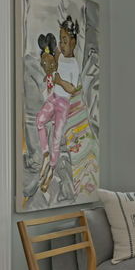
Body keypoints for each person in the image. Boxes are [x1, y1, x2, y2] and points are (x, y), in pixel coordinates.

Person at [35, 15, 82, 193]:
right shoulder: (59, 55)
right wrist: (48, 65)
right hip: (54, 97)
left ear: (73, 42)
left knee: (56, 137)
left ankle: (51, 170)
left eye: (65, 41)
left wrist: (61, 82)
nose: (61, 44)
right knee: (40, 120)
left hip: (63, 104)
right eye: (60, 40)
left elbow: (72, 88)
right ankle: (45, 154)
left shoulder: (74, 65)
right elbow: (53, 65)